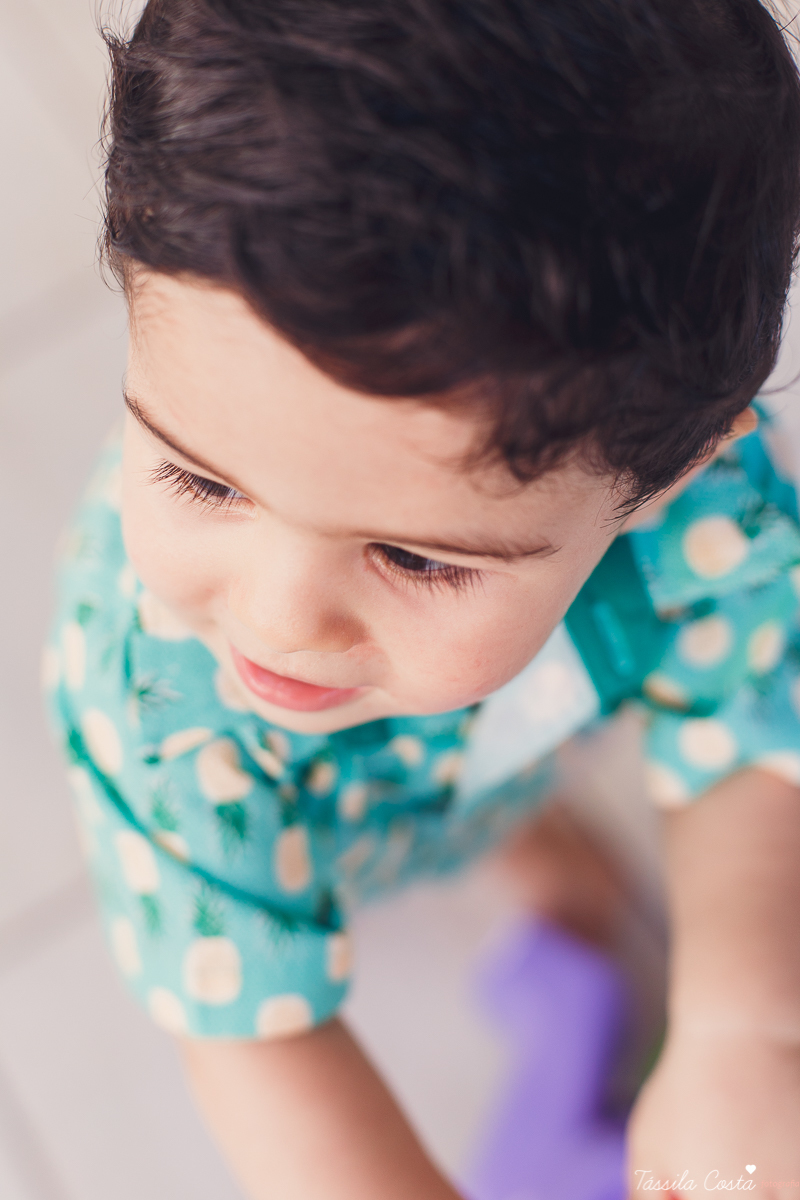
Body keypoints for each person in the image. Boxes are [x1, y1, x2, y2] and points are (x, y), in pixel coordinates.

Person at [41, 0, 800, 1195]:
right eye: (197, 475)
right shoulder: (154, 703)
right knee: (350, 844)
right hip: (304, 810)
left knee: (491, 792)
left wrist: (744, 1026)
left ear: (665, 479)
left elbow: (755, 709)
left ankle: (518, 835)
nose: (278, 620)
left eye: (416, 557)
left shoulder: (718, 517)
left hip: (490, 746)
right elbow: (253, 1027)